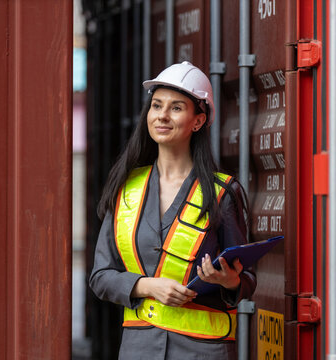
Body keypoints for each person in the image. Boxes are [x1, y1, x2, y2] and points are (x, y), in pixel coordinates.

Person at [89, 61, 256, 360]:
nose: (162, 115)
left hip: (205, 351)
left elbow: (247, 280)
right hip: (139, 351)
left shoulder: (222, 193)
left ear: (198, 120)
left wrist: (229, 281)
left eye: (176, 108)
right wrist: (147, 286)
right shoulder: (127, 188)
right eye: (156, 106)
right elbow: (101, 276)